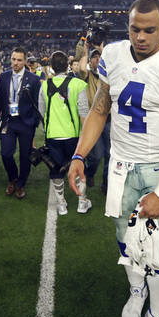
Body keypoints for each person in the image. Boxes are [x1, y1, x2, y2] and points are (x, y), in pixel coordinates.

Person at [68, 0, 159, 317]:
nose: (140, 37)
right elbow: (100, 110)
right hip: (120, 167)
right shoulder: (112, 54)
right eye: (134, 29)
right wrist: (79, 156)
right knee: (126, 241)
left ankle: (157, 316)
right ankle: (136, 291)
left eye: (149, 30)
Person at [39, 51, 91, 215]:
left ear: (52, 68)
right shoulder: (78, 84)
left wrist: (46, 129)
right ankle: (82, 202)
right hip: (74, 135)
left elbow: (41, 111)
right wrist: (86, 135)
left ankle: (61, 204)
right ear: (68, 66)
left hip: (53, 134)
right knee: (78, 167)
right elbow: (84, 111)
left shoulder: (45, 85)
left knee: (56, 170)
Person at [0, 47, 41, 199]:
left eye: (19, 60)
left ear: (25, 61)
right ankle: (13, 178)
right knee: (6, 153)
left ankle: (21, 184)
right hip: (8, 121)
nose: (15, 63)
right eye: (13, 59)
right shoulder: (4, 76)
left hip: (26, 123)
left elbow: (37, 104)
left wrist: (33, 122)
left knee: (25, 156)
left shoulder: (33, 79)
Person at [76, 36, 106, 186]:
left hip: (109, 119)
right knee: (97, 155)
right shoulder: (88, 75)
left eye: (100, 57)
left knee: (110, 154)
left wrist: (101, 48)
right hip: (94, 118)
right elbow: (81, 68)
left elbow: (114, 63)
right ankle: (90, 172)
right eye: (95, 58)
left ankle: (106, 184)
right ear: (90, 62)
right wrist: (86, 49)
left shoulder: (108, 74)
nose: (98, 60)